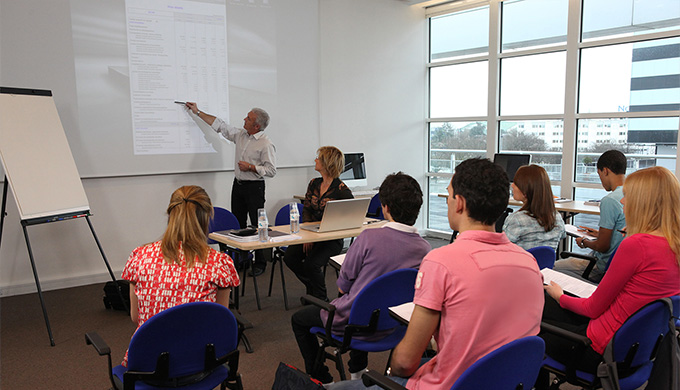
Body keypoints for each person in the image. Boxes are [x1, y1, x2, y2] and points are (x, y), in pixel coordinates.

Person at [328, 158, 544, 390]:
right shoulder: (529, 262)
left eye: (449, 194)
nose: (448, 200)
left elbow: (403, 363)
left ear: (459, 203)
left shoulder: (442, 262)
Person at [536, 166, 680, 389]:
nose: (623, 203)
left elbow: (593, 309)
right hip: (634, 348)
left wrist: (560, 295)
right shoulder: (674, 245)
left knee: (532, 329)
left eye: (627, 197)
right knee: (544, 306)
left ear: (645, 203)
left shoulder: (637, 245)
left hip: (598, 349)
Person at [291, 172, 432, 384]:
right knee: (368, 298)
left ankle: (323, 379)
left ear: (385, 207)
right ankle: (358, 373)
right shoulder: (425, 248)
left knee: (300, 319)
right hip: (394, 325)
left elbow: (343, 286)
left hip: (353, 324)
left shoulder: (368, 238)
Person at [121, 185, 240, 366]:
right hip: (198, 365)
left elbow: (136, 317)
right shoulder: (219, 263)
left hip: (147, 365)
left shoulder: (140, 257)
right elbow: (220, 323)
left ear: (170, 216)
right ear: (207, 218)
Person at [185, 102, 276, 277]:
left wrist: (251, 167)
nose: (244, 119)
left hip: (254, 187)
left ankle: (260, 262)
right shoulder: (241, 135)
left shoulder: (265, 144)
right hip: (239, 185)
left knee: (257, 225)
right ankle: (243, 259)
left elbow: (271, 170)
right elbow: (220, 125)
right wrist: (197, 112)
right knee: (238, 223)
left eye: (248, 118)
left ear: (256, 126)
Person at [284, 146, 353, 301]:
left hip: (330, 239)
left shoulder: (342, 190)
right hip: (311, 234)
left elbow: (350, 215)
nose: (315, 160)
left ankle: (321, 299)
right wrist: (309, 237)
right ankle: (313, 287)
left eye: (318, 158)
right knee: (289, 257)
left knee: (311, 264)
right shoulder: (314, 183)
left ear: (327, 163)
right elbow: (306, 209)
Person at [553, 150, 626, 282]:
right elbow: (621, 233)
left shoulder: (610, 200)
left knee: (549, 268)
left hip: (600, 266)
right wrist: (599, 234)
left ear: (605, 171)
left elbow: (602, 246)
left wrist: (584, 242)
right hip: (620, 265)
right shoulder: (635, 195)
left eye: (599, 175)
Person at [503, 164, 566, 251]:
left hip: (521, 264)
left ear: (525, 190)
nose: (512, 185)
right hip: (546, 265)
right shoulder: (556, 217)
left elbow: (502, 248)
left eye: (516, 183)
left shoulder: (516, 219)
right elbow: (563, 235)